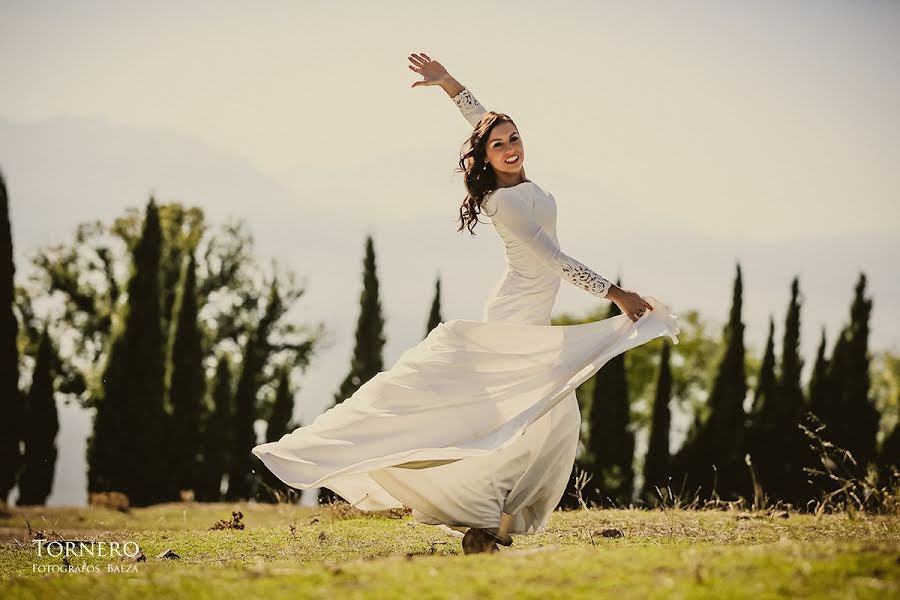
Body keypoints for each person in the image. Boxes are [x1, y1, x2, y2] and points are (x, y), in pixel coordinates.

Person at [252, 53, 679, 555]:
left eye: (514, 138)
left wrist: (447, 83)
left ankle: (491, 523)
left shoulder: (518, 178)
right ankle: (480, 519)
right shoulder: (504, 203)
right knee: (533, 419)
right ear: (486, 157)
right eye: (498, 145)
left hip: (530, 317)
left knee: (552, 420)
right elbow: (555, 261)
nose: (509, 148)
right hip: (514, 318)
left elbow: (480, 118)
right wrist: (617, 295)